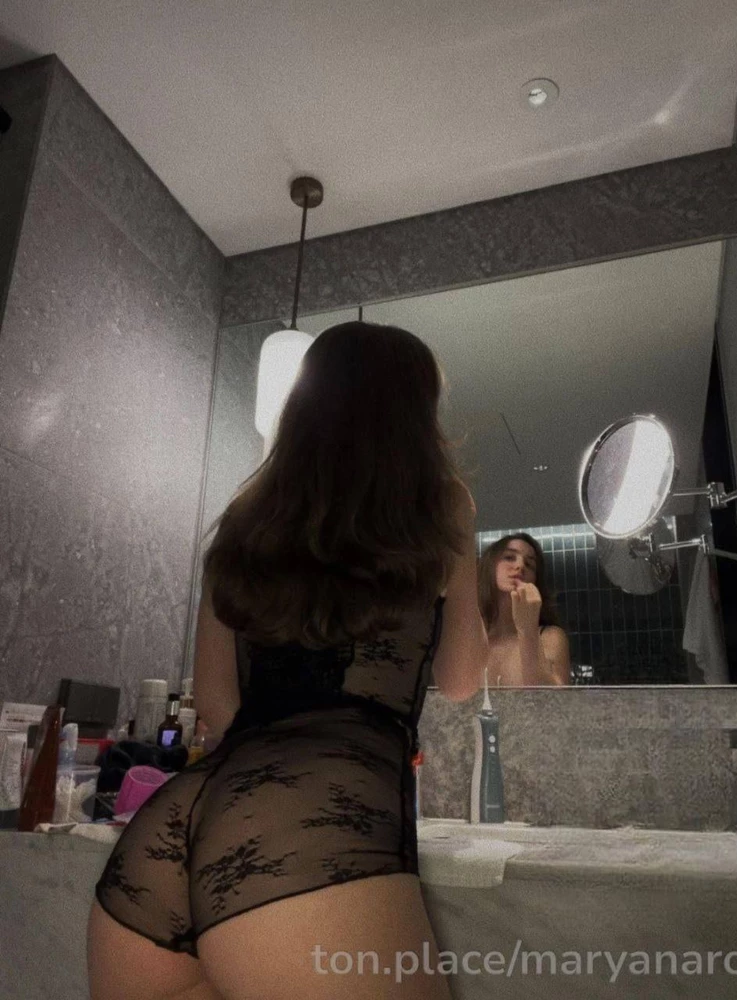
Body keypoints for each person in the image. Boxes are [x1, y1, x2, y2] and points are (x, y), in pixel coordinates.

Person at [87, 321, 490, 1000]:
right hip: (310, 829)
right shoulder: (441, 504)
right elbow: (459, 678)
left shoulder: (248, 517)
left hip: (167, 837)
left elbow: (218, 704)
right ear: (415, 415)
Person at [478, 533, 571, 686]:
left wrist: (527, 630)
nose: (520, 566)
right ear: (489, 566)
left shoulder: (550, 638)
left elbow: (553, 699)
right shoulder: (472, 640)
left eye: (529, 565)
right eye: (509, 557)